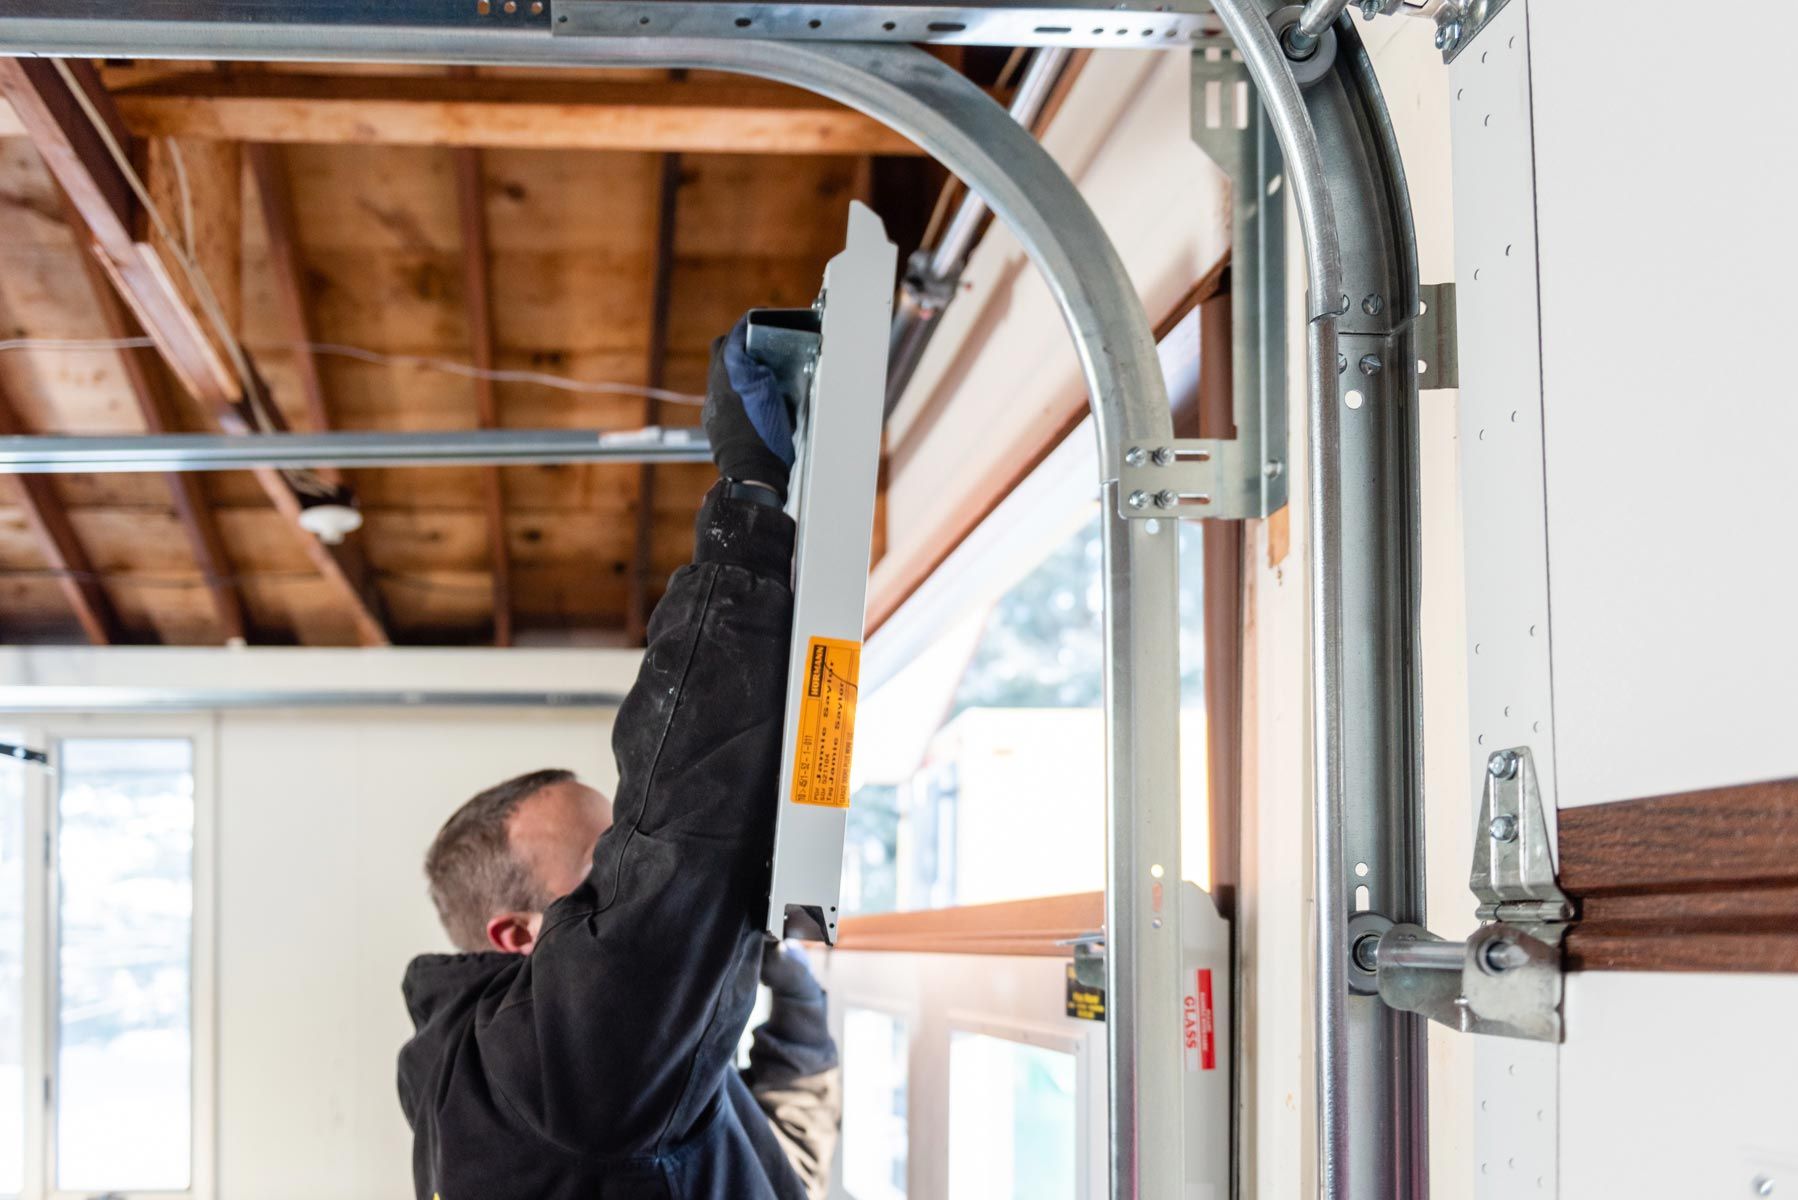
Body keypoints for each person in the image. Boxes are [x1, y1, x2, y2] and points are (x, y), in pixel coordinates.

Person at [396, 318, 839, 1200]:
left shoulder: (563, 1090)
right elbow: (683, 837)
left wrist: (796, 1004)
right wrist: (745, 502)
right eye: (606, 864)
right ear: (515, 936)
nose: (634, 868)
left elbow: (770, 1162)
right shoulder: (546, 1086)